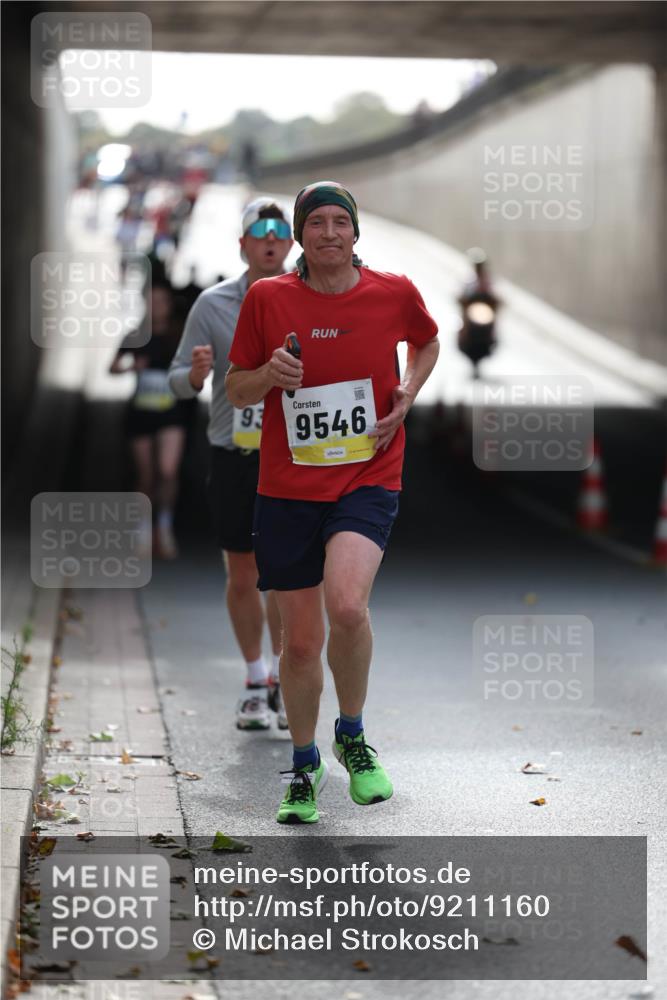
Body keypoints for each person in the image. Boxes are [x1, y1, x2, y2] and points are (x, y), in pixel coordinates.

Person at [225, 180, 439, 824]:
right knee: (298, 644)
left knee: (347, 605)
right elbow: (236, 389)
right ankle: (303, 766)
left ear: (354, 232)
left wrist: (407, 389)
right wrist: (269, 376)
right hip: (287, 488)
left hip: (368, 474)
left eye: (338, 222)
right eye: (314, 223)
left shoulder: (393, 292)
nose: (327, 233)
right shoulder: (268, 299)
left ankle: (353, 734)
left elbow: (427, 341)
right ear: (299, 236)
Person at [168, 198, 294, 731]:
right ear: (242, 244)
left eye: (278, 232)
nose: (269, 240)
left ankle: (288, 682)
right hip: (234, 453)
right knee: (243, 572)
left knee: (286, 578)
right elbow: (175, 376)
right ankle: (253, 678)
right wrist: (195, 376)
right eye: (258, 233)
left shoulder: (309, 299)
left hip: (292, 455)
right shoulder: (213, 304)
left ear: (290, 243)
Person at [110, 281, 196, 558]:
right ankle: (142, 530)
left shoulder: (179, 336)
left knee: (168, 470)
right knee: (146, 476)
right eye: (151, 300)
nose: (156, 306)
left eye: (161, 301)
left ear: (169, 305)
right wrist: (129, 367)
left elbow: (196, 368)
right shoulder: (134, 336)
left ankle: (165, 525)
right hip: (141, 414)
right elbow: (111, 368)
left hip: (171, 414)